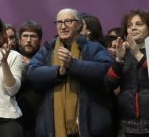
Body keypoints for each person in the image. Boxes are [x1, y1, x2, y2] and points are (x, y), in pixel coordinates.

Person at [27, 8, 114, 137]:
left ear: (79, 25)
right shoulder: (48, 50)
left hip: (88, 125)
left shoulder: (93, 47)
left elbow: (105, 70)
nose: (63, 26)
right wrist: (58, 72)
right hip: (54, 127)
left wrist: (73, 64)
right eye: (59, 22)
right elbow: (32, 72)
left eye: (68, 21)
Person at [104, 10, 149, 137]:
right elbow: (108, 84)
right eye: (129, 25)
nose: (133, 28)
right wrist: (119, 60)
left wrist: (138, 54)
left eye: (139, 24)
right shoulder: (123, 53)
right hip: (126, 123)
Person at [16, 21, 43, 137]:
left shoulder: (47, 60)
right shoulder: (10, 60)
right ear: (19, 39)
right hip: (15, 121)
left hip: (40, 121)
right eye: (25, 36)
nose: (28, 40)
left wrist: (31, 66)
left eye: (33, 36)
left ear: (39, 40)